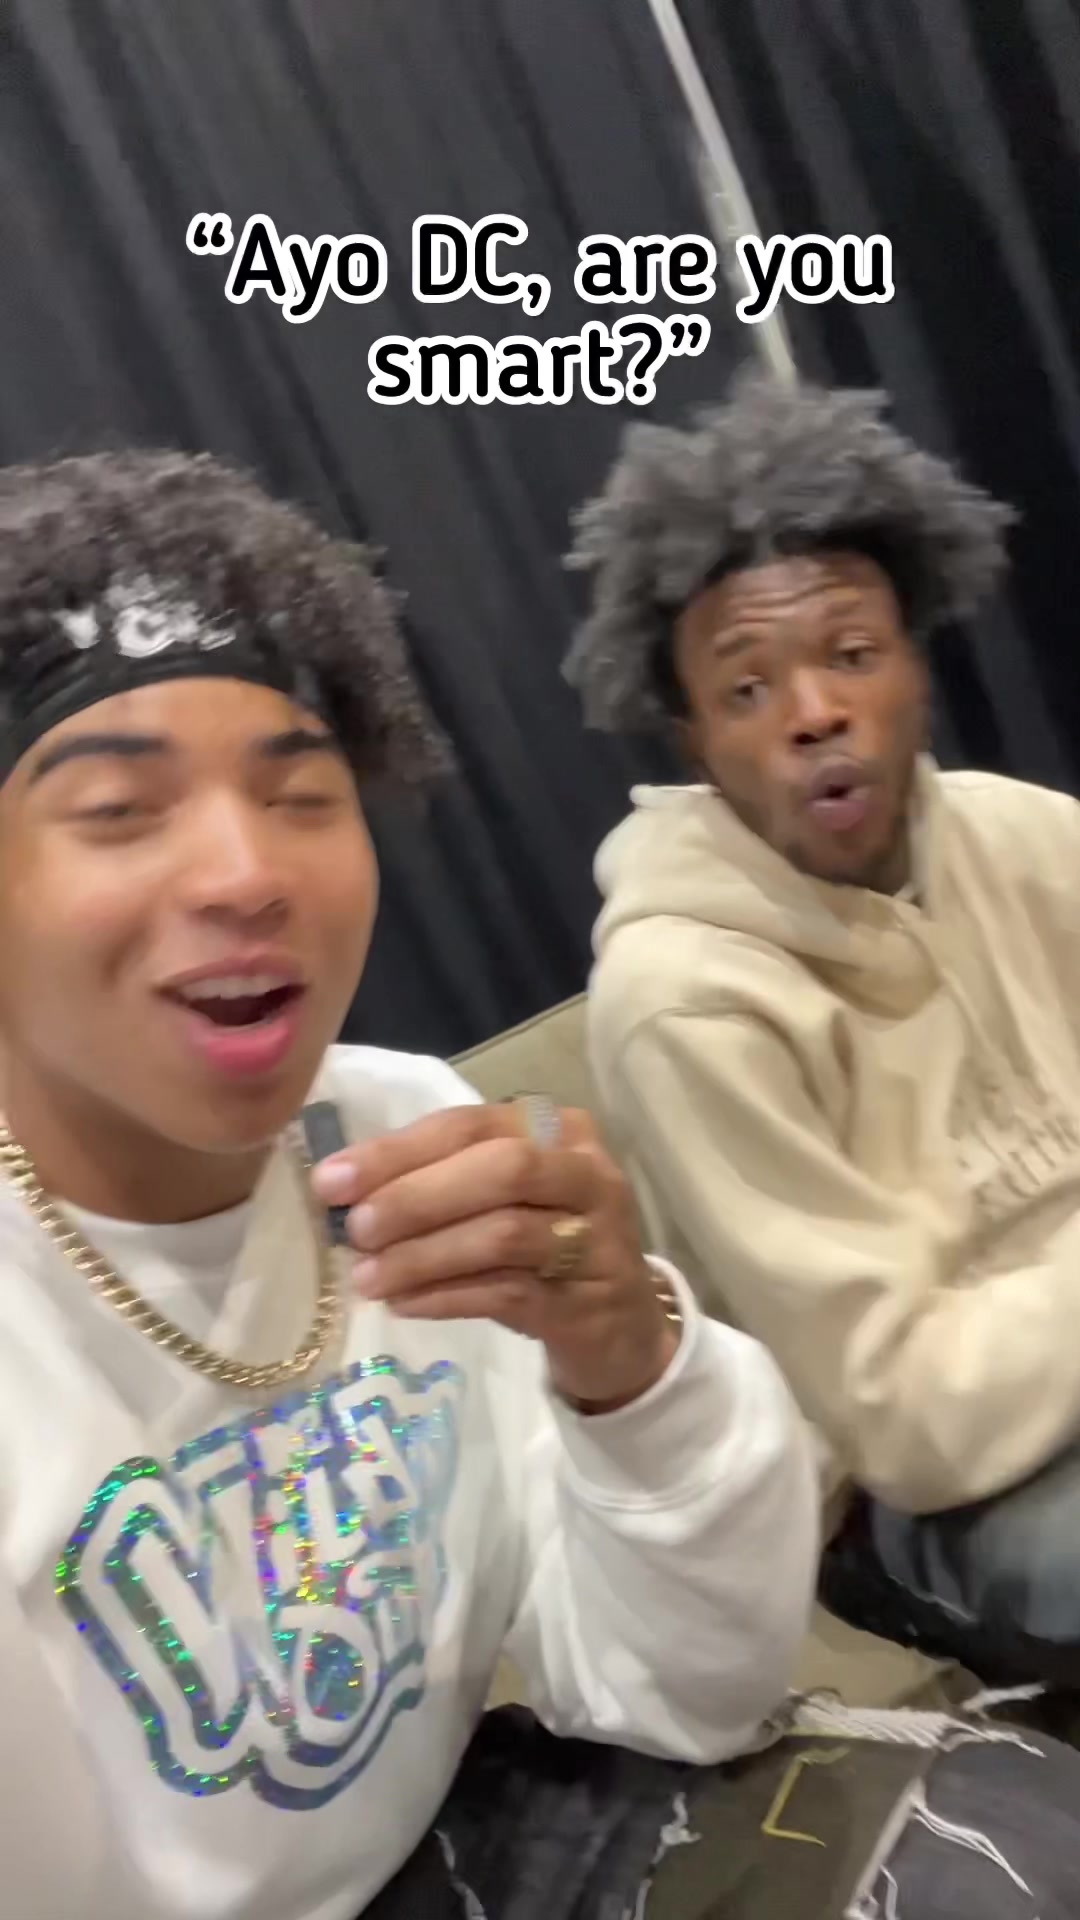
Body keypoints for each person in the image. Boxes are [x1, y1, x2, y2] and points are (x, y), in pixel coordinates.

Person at [0, 446, 819, 1920]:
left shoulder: (405, 1127)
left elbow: (678, 1692)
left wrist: (631, 1361)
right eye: (120, 809)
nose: (247, 871)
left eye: (302, 794)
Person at [567, 370, 1080, 1691]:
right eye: (748, 689)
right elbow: (911, 1420)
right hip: (920, 1496)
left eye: (852, 655)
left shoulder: (1027, 837)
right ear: (693, 741)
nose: (813, 713)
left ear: (917, 664)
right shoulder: (685, 1003)